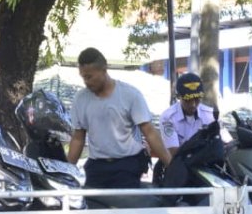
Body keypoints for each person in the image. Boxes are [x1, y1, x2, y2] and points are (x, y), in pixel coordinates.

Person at [67, 47, 171, 188]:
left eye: (89, 76)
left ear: (104, 70)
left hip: (127, 164)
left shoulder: (130, 95)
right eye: (83, 77)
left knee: (122, 205)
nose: (86, 81)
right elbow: (78, 139)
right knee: (91, 206)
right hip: (96, 165)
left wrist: (170, 164)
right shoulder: (80, 99)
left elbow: (150, 132)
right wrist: (66, 171)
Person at [159, 72, 219, 156]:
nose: (193, 104)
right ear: (179, 97)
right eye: (188, 100)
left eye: (197, 99)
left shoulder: (210, 115)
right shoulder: (168, 118)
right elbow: (174, 152)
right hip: (180, 164)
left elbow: (226, 142)